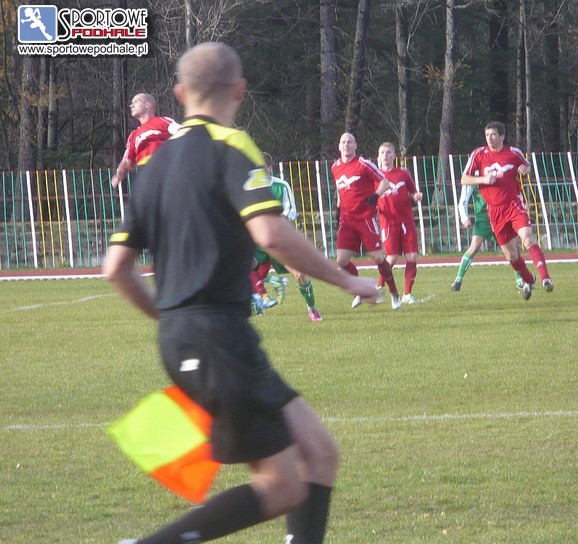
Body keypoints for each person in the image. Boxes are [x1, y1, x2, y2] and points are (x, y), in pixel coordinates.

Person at [104, 42, 378, 544]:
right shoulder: (231, 146)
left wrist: (170, 318)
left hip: (190, 337)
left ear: (180, 94)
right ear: (239, 91)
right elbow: (270, 233)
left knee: (320, 454)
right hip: (218, 336)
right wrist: (345, 279)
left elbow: (116, 269)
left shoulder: (153, 168)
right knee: (282, 485)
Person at [461, 121, 553, 300]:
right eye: (487, 135)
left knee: (528, 238)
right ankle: (529, 280)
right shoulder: (478, 154)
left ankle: (546, 279)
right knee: (511, 257)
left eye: (493, 135)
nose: (489, 138)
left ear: (502, 136)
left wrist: (526, 169)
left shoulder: (513, 153)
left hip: (513, 204)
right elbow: (464, 179)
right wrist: (483, 180)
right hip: (495, 211)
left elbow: (527, 165)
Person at [250, 153, 324, 322]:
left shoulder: (281, 186)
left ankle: (312, 308)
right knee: (245, 271)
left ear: (269, 168)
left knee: (300, 274)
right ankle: (256, 306)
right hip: (257, 242)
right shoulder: (249, 188)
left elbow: (290, 211)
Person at [332, 132, 402, 310]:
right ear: (339, 146)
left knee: (378, 258)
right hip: (347, 221)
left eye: (349, 142)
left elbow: (384, 182)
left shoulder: (363, 164)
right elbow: (341, 189)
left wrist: (376, 195)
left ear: (355, 146)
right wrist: (338, 207)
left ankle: (394, 292)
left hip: (365, 219)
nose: (346, 145)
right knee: (341, 261)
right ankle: (360, 289)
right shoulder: (335, 167)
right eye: (343, 142)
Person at [451, 184, 524, 292]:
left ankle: (520, 279)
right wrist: (464, 218)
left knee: (513, 247)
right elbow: (463, 200)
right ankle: (458, 280)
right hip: (483, 217)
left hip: (499, 215)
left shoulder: (497, 175)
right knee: (475, 246)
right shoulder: (472, 177)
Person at [375, 141, 423, 304]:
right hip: (388, 222)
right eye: (382, 153)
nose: (385, 156)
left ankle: (407, 294)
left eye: (388, 152)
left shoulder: (403, 174)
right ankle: (378, 287)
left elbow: (413, 191)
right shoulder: (375, 176)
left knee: (412, 256)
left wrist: (416, 196)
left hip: (406, 221)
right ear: (379, 156)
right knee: (392, 257)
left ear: (394, 155)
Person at [111, 93, 181, 189]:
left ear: (148, 105)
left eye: (136, 102)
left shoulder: (163, 121)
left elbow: (184, 133)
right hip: (145, 176)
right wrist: (119, 174)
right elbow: (126, 161)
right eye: (131, 103)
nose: (131, 105)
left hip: (166, 171)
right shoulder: (134, 135)